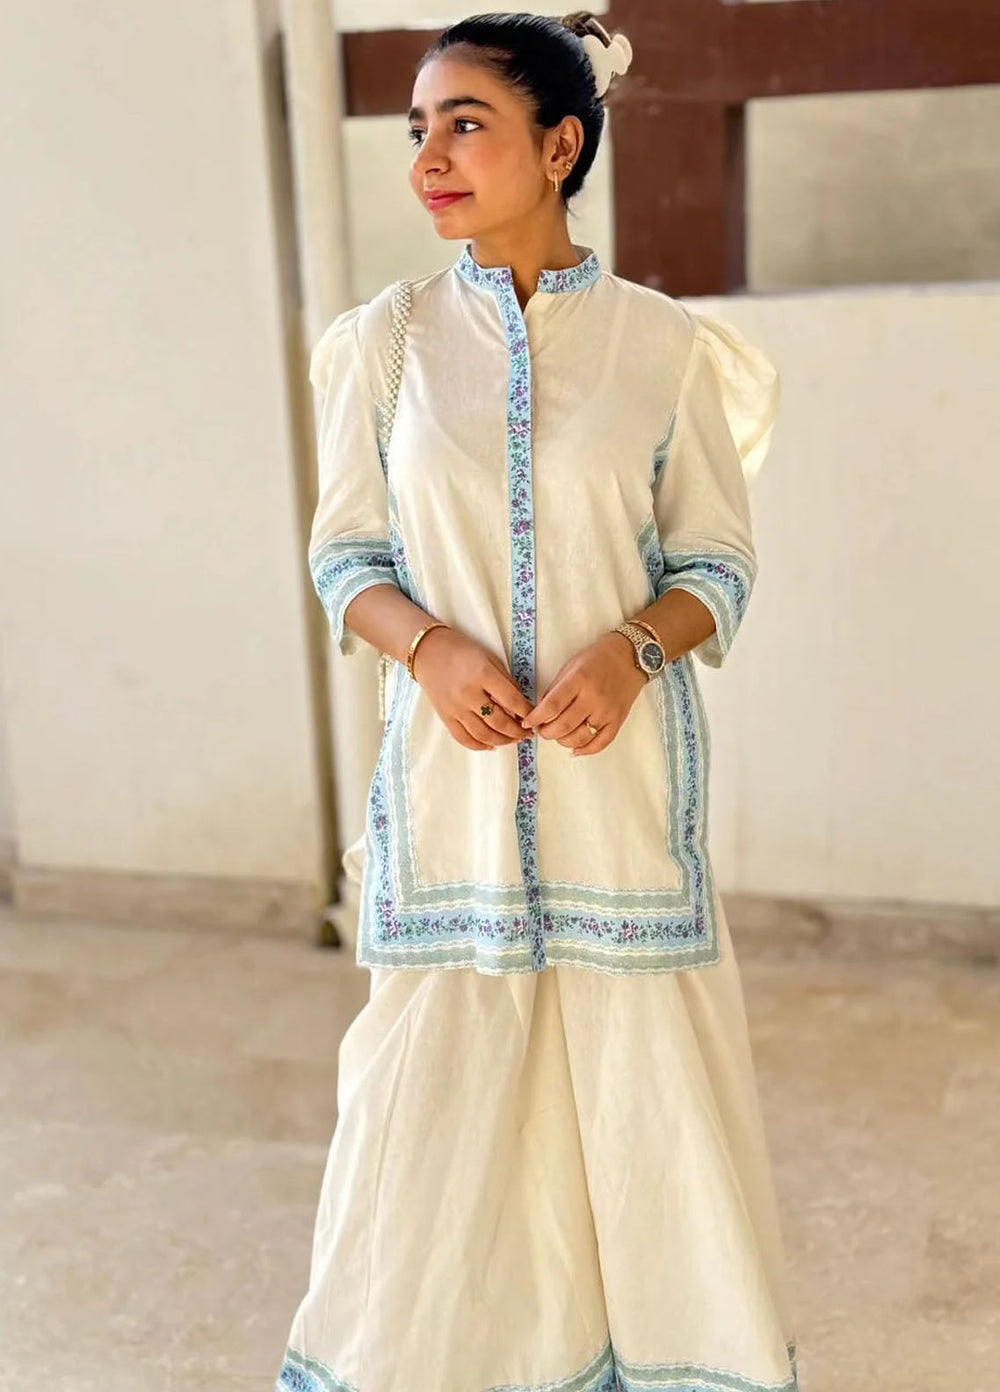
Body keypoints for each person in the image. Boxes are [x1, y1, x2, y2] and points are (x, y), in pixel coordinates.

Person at [276, 11, 799, 1392]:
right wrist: (429, 651)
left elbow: (716, 561)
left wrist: (632, 652)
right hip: (448, 800)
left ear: (561, 146)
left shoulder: (661, 346)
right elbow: (345, 555)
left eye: (467, 125)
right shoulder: (383, 345)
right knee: (431, 1094)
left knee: (646, 1098)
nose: (430, 160)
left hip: (617, 797)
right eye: (419, 131)